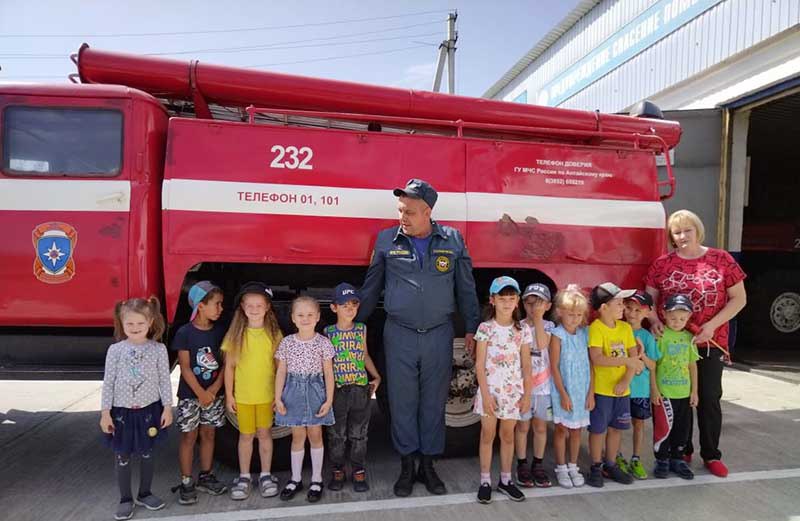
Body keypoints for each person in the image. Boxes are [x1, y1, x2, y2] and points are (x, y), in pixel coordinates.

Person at [357, 179, 480, 497]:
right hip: (398, 335)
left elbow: (466, 288)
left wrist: (472, 328)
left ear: (428, 211)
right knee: (402, 402)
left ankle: (428, 465)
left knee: (433, 402)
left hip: (439, 335)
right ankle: (407, 466)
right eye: (400, 211)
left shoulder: (452, 240)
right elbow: (370, 289)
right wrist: (353, 326)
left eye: (410, 212)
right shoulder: (386, 240)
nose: (403, 217)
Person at [645, 209, 746, 477]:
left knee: (709, 398)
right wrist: (654, 320)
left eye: (687, 230)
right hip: (674, 342)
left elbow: (739, 299)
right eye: (676, 232)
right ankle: (682, 448)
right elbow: (649, 299)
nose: (682, 236)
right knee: (678, 399)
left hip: (710, 342)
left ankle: (711, 454)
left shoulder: (721, 259)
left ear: (698, 230)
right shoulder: (662, 264)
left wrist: (712, 325)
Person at [100, 297, 172, 521]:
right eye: (129, 324)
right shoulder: (115, 350)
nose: (135, 328)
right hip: (121, 413)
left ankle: (145, 493)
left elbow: (164, 381)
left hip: (149, 411)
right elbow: (108, 382)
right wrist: (105, 413)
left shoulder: (159, 350)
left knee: (147, 453)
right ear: (121, 323)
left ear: (150, 322)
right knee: (122, 455)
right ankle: (125, 499)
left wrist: (167, 408)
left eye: (140, 324)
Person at [222, 282, 284, 501]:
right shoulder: (236, 334)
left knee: (265, 435)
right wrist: (229, 395)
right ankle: (245, 476)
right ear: (242, 306)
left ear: (267, 307)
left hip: (266, 396)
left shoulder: (274, 334)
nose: (254, 309)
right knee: (246, 436)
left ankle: (266, 475)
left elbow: (279, 368)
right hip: (244, 398)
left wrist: (279, 396)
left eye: (259, 305)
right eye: (250, 305)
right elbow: (229, 367)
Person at [474, 276, 532, 504]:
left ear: (517, 301)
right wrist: (486, 395)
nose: (507, 303)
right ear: (492, 300)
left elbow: (526, 364)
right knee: (487, 435)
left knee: (508, 436)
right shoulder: (485, 329)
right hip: (490, 392)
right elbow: (479, 364)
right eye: (502, 298)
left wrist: (527, 394)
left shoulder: (523, 330)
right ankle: (485, 480)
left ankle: (506, 480)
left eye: (511, 298)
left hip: (512, 393)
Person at [274, 296, 336, 503]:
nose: (305, 318)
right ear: (293, 318)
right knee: (297, 437)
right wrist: (278, 398)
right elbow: (281, 372)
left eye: (310, 315)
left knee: (315, 435)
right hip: (293, 391)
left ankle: (316, 479)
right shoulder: (287, 343)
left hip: (315, 390)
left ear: (318, 317)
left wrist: (328, 400)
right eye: (300, 315)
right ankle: (295, 479)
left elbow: (328, 373)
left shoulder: (323, 343)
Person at [171, 281, 228, 504]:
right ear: (201, 306)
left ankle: (206, 475)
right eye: (217, 304)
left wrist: (213, 390)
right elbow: (185, 367)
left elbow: (225, 364)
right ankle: (186, 480)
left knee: (209, 434)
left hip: (213, 395)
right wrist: (200, 393)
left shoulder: (220, 332)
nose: (221, 309)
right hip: (190, 395)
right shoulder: (185, 333)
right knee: (188, 436)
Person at [324, 283, 382, 492]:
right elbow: (326, 364)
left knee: (359, 434)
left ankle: (358, 470)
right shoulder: (328, 332)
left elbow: (364, 355)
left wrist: (376, 377)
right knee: (337, 434)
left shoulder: (361, 329)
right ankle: (338, 469)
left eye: (354, 304)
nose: (349, 308)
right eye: (343, 304)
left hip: (360, 389)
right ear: (334, 308)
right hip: (338, 390)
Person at [586, 282, 643, 488]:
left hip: (622, 390)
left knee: (616, 428)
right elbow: (597, 358)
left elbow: (634, 356)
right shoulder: (596, 329)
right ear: (603, 308)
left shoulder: (625, 328)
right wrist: (626, 361)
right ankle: (595, 465)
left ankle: (610, 464)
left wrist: (626, 380)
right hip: (602, 390)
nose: (623, 307)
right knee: (598, 430)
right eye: (618, 303)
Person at [651, 294, 699, 480]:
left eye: (682, 319)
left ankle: (677, 459)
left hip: (684, 393)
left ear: (688, 318)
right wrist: (654, 389)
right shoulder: (661, 336)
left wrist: (694, 391)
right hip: (665, 393)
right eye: (673, 318)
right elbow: (653, 364)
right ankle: (662, 459)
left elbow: (692, 365)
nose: (677, 322)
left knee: (682, 428)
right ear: (663, 314)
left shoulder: (689, 338)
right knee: (663, 428)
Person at [549, 284, 592, 489]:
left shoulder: (585, 334)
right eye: (570, 314)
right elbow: (555, 367)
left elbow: (591, 365)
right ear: (560, 313)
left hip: (581, 390)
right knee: (561, 430)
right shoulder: (557, 335)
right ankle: (561, 466)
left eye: (578, 314)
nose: (575, 318)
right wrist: (563, 394)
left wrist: (590, 393)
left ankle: (573, 465)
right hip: (563, 389)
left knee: (577, 431)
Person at [514, 283, 555, 488]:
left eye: (538, 304)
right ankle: (521, 463)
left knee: (540, 426)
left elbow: (541, 344)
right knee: (522, 426)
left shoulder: (549, 327)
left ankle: (538, 464)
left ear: (548, 306)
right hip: (523, 387)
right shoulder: (518, 326)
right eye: (529, 304)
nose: (533, 308)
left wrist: (538, 319)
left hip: (543, 388)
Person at [618, 290, 660, 480]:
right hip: (619, 387)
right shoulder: (617, 330)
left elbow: (652, 366)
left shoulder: (647, 337)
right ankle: (615, 456)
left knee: (639, 424)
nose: (632, 313)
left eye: (638, 310)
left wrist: (641, 353)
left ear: (647, 312)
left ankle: (636, 458)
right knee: (616, 425)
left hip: (640, 390)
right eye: (629, 308)